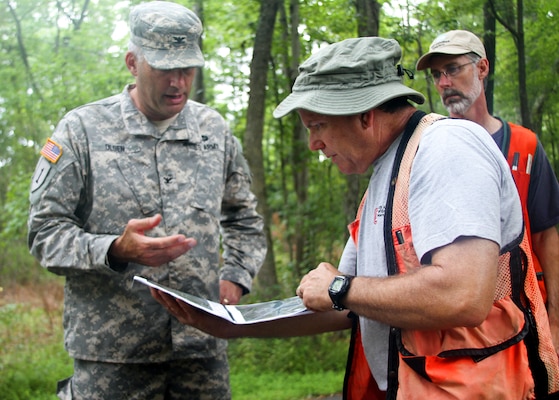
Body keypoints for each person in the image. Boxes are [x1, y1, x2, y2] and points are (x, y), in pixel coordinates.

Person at [151, 36, 559, 399]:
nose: (313, 144)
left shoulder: (447, 147)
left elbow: (462, 295)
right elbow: (344, 305)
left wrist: (341, 287)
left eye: (317, 125)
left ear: (366, 115)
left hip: (484, 386)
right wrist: (233, 326)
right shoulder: (386, 174)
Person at [27, 2, 266, 399]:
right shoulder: (81, 131)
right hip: (113, 357)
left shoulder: (214, 131)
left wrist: (236, 277)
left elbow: (244, 218)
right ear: (132, 63)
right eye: (164, 68)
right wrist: (115, 249)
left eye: (187, 68)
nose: (178, 82)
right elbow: (44, 233)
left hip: (201, 351)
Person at [416, 29, 559, 353]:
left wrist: (556, 321)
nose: (443, 83)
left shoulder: (525, 147)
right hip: (458, 332)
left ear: (482, 68)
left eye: (453, 69)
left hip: (526, 319)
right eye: (437, 74)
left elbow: (547, 239)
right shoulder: (427, 150)